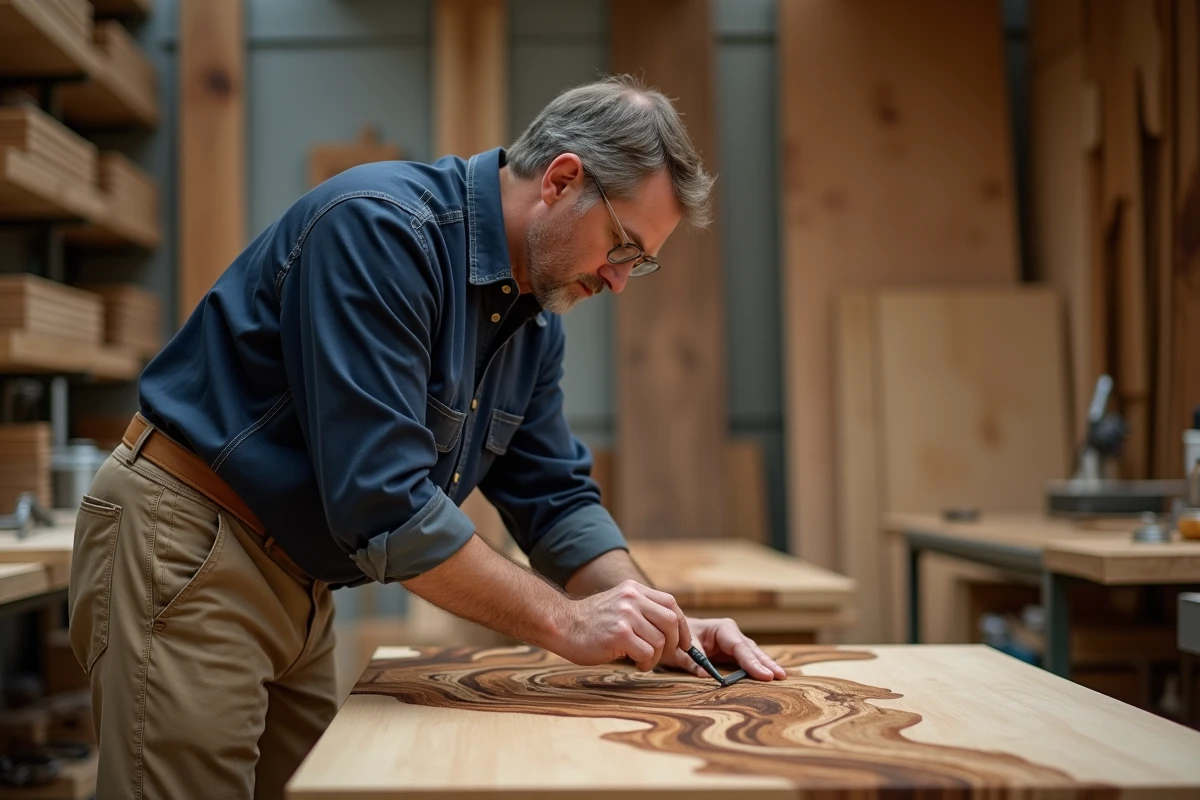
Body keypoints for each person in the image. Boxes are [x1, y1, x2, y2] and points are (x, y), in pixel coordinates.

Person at [67, 74, 786, 800]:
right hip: (192, 542)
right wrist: (566, 621)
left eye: (640, 262)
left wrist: (660, 624)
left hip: (300, 579)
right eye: (623, 246)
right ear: (562, 180)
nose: (620, 279)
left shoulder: (533, 320)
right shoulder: (380, 231)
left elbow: (555, 498)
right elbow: (384, 506)